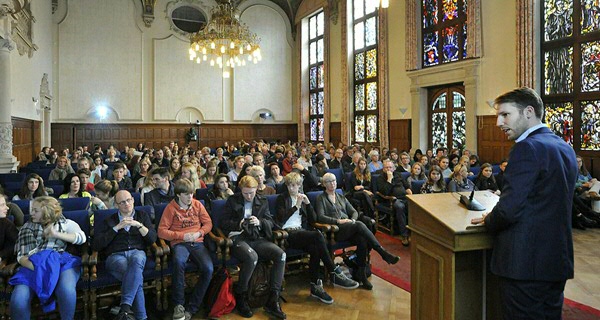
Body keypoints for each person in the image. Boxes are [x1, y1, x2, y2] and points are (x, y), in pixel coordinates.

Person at [471, 87, 578, 319]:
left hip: (525, 262)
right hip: (555, 258)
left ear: (529, 112)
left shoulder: (527, 148)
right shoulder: (564, 147)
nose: (499, 122)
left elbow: (509, 210)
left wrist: (489, 220)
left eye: (505, 115)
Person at [275, 172, 358, 305]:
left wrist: (307, 204)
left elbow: (313, 220)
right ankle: (333, 271)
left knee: (315, 248)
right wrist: (295, 206)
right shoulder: (281, 198)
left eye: (295, 185)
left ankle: (315, 286)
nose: (292, 188)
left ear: (299, 186)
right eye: (290, 185)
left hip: (301, 233)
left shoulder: (302, 198)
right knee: (317, 235)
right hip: (287, 234)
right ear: (286, 185)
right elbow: (280, 219)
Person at [315, 173, 400, 290]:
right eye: (329, 181)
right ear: (324, 184)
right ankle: (382, 252)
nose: (333, 183)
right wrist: (338, 221)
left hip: (349, 227)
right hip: (334, 231)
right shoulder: (321, 198)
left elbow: (354, 211)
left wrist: (352, 220)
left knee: (362, 239)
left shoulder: (340, 196)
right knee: (360, 225)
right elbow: (320, 217)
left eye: (334, 180)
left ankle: (362, 274)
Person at [9, 196, 86, 320]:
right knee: (18, 299)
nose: (31, 213)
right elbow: (22, 257)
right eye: (32, 209)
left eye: (36, 210)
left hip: (61, 262)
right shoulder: (27, 227)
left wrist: (56, 234)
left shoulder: (65, 223)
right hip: (32, 265)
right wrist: (45, 270)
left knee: (66, 289)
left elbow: (82, 238)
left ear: (47, 211)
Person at [221, 176, 286, 319]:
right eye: (245, 193)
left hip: (256, 237)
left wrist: (260, 222)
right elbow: (223, 223)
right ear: (240, 190)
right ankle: (241, 295)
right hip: (238, 237)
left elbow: (270, 220)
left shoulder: (262, 200)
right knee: (252, 257)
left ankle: (273, 299)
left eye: (252, 192)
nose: (249, 196)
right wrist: (239, 223)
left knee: (281, 255)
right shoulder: (233, 200)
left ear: (257, 189)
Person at [92, 190, 157, 320]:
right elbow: (96, 245)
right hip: (116, 256)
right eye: (122, 202)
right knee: (135, 276)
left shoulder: (142, 215)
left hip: (137, 253)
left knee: (137, 261)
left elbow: (152, 239)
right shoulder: (109, 221)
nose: (126, 204)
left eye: (128, 200)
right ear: (116, 205)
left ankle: (125, 310)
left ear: (133, 200)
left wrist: (138, 225)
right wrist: (116, 228)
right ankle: (138, 315)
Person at [158, 179, 213, 320]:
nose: (190, 197)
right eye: (186, 194)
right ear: (178, 195)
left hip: (197, 242)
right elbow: (161, 232)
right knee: (179, 262)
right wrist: (182, 236)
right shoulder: (171, 208)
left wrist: (199, 233)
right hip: (180, 243)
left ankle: (193, 307)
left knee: (208, 269)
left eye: (192, 193)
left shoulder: (197, 204)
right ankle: (178, 305)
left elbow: (208, 223)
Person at [376, 159, 411, 245]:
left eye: (390, 167)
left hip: (405, 197)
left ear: (394, 168)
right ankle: (404, 235)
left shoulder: (398, 175)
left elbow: (406, 186)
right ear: (383, 169)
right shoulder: (380, 178)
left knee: (415, 206)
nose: (388, 169)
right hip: (392, 200)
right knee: (400, 207)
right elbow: (384, 192)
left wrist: (410, 194)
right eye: (386, 167)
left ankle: (414, 232)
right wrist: (389, 179)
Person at [0, 193, 18, 265]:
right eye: (2, 205)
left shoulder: (6, 223)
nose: (7, 208)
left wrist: (1, 256)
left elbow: (14, 243)